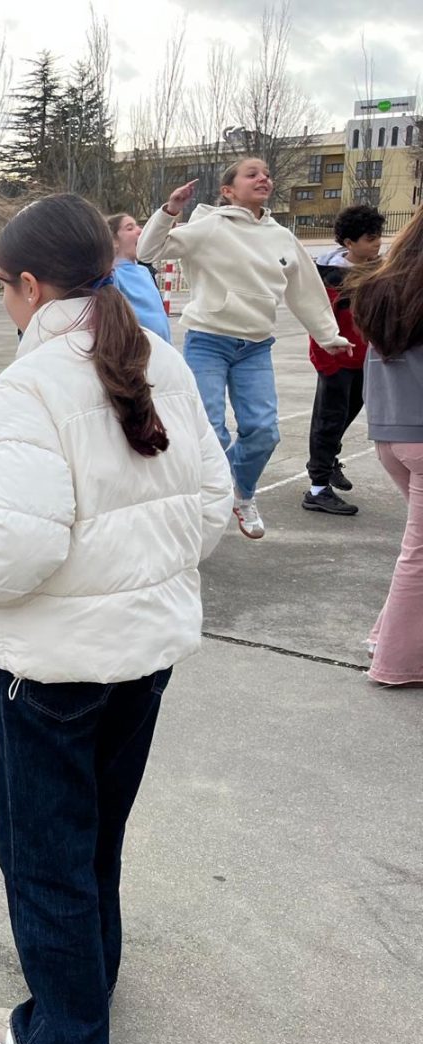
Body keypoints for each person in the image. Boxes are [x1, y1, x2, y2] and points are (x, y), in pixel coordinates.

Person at [0, 194, 232, 1044]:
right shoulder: (159, 358)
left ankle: (66, 1039)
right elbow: (212, 501)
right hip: (146, 652)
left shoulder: (31, 383)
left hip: (57, 667)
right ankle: (89, 982)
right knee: (97, 835)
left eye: (3, 287)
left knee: (44, 855)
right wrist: (139, 571)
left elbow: (12, 548)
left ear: (30, 285)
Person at [137, 159, 352, 539]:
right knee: (210, 431)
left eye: (266, 174)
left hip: (256, 347)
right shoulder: (210, 226)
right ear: (228, 190)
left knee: (264, 432)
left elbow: (306, 289)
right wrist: (170, 211)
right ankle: (201, 497)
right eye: (251, 174)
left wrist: (328, 335)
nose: (263, 178)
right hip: (209, 341)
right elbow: (148, 251)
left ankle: (240, 492)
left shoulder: (281, 237)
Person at [349, 207, 423, 687]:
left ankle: (387, 639)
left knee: (417, 550)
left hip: (391, 435)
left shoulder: (383, 287)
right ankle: (396, 663)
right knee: (418, 556)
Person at [302, 204, 385, 516]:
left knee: (347, 415)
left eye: (378, 236)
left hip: (367, 360)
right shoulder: (328, 276)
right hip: (335, 359)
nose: (377, 243)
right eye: (369, 238)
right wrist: (326, 358)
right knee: (328, 420)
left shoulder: (381, 270)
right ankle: (317, 488)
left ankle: (329, 459)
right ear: (349, 243)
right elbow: (317, 318)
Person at [106, 213, 171, 342]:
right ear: (114, 241)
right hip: (138, 349)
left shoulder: (144, 271)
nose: (140, 231)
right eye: (129, 228)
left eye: (137, 226)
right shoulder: (113, 274)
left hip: (163, 346)